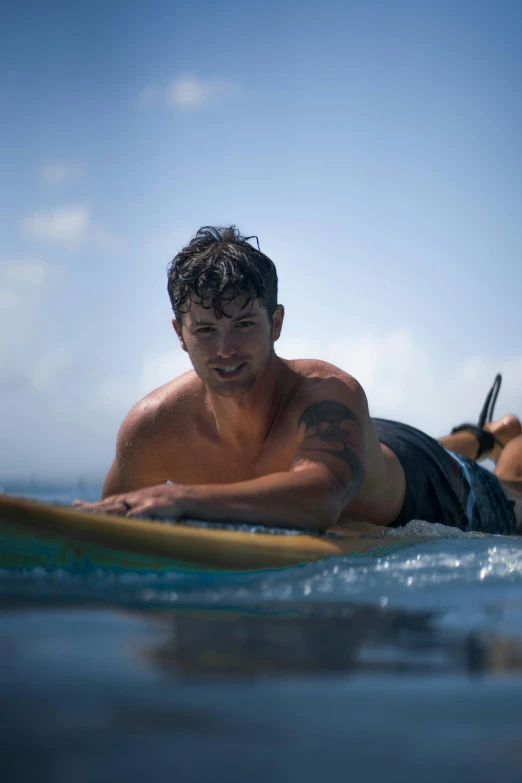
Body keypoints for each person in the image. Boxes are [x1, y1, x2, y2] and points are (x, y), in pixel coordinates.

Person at [75, 226, 522, 536]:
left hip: (429, 486)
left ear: (276, 322)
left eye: (244, 325)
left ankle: (506, 447)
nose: (225, 349)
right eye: (206, 330)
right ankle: (483, 436)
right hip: (362, 445)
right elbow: (112, 530)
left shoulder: (329, 394)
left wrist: (183, 501)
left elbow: (322, 499)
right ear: (180, 333)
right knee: (375, 452)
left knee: (514, 497)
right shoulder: (152, 428)